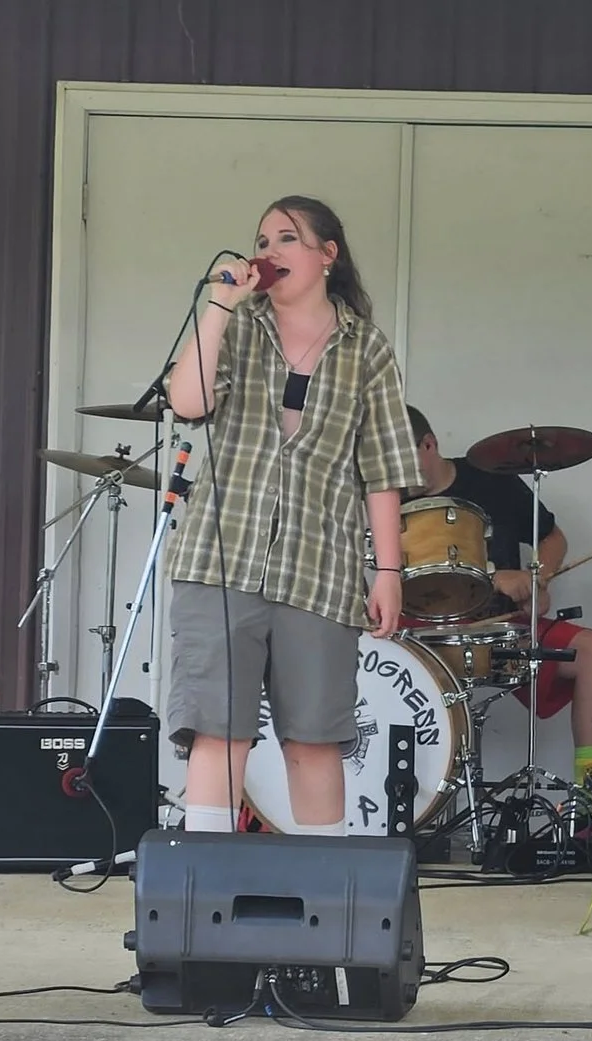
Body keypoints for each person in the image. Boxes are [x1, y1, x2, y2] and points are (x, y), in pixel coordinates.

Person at [164, 195, 421, 837]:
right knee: (219, 732)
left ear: (327, 255)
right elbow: (189, 403)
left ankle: (323, 900)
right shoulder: (240, 324)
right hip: (220, 557)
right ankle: (204, 889)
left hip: (320, 566)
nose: (269, 251)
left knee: (315, 738)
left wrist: (386, 570)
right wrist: (218, 307)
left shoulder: (368, 349)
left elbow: (383, 468)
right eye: (261, 239)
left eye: (287, 238)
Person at [402, 405, 592, 788]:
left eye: (403, 462)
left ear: (429, 444)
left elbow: (553, 538)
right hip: (419, 630)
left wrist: (539, 580)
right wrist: (492, 577)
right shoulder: (384, 497)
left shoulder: (491, 480)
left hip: (502, 628)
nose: (397, 477)